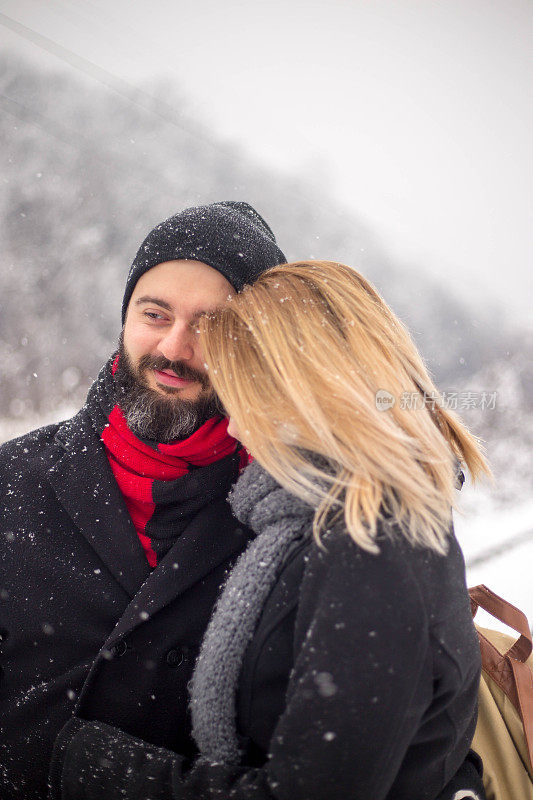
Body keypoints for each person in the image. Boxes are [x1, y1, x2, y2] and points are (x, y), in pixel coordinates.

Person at [48, 260, 490, 800]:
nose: (231, 418)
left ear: (309, 384)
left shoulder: (376, 544)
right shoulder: (319, 519)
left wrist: (104, 770)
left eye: (246, 385)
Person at [0, 200, 287, 800]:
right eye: (154, 314)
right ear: (126, 317)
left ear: (258, 347)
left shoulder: (286, 524)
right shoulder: (14, 482)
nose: (174, 348)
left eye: (212, 327)